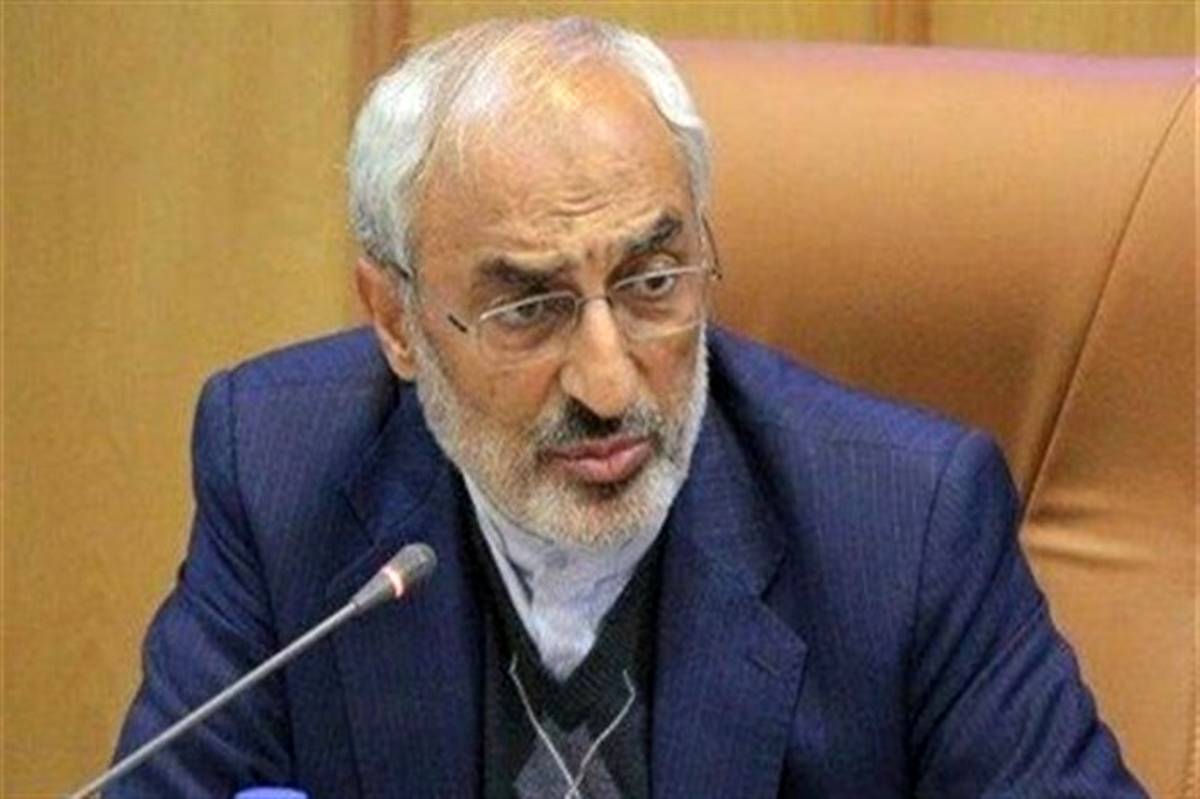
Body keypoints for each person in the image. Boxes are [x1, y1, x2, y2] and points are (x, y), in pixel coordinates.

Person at [112, 16, 1145, 798]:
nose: (609, 385)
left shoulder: (903, 526)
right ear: (397, 320)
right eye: (529, 307)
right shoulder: (282, 468)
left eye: (653, 285)